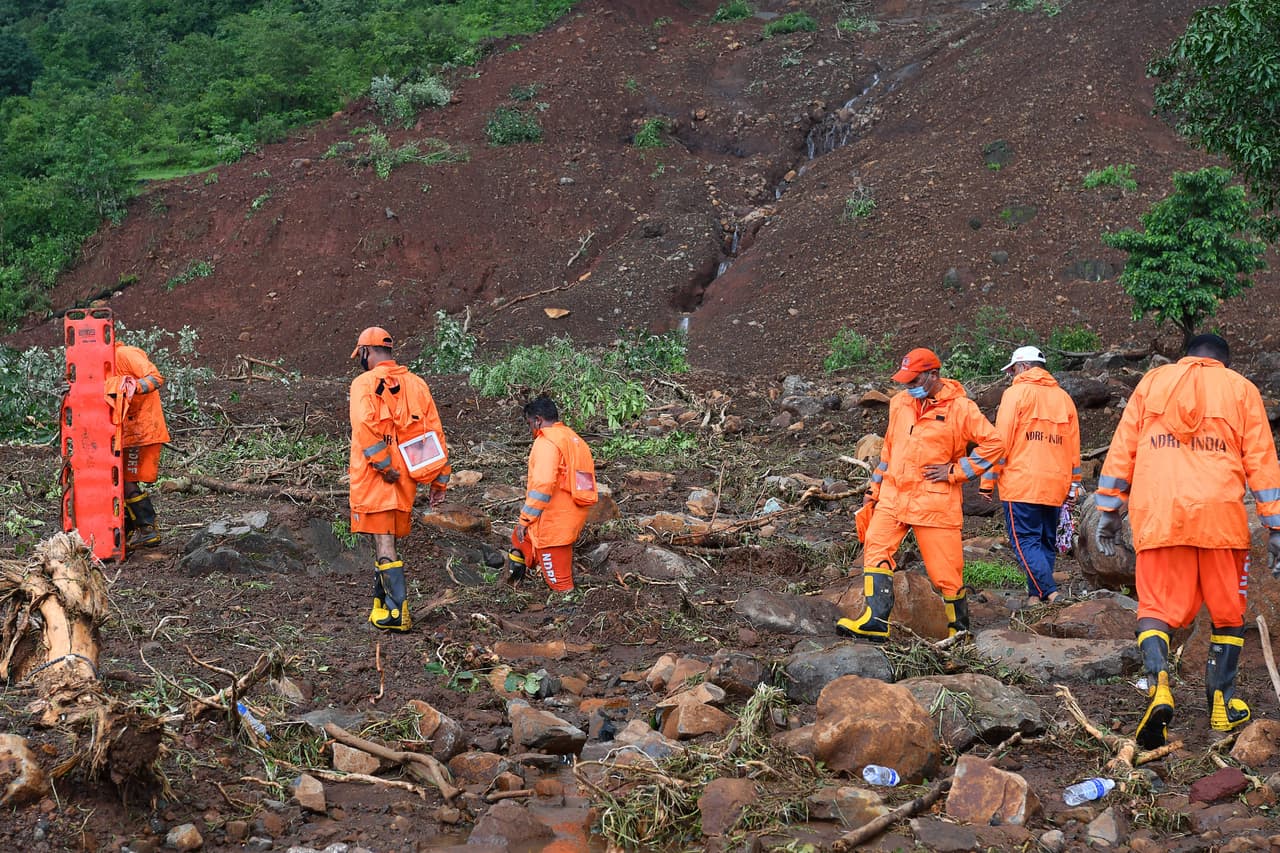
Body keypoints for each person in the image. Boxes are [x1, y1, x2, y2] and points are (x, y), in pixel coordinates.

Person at [1095, 333, 1280, 749]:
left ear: (1187, 357)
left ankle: (1159, 684)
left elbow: (1123, 448)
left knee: (1155, 608)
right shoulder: (1241, 390)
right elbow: (1263, 462)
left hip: (1160, 515)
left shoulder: (1152, 383)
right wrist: (1276, 527)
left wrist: (1109, 509)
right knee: (1229, 612)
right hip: (1221, 520)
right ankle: (1221, 702)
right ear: (1223, 363)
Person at [837, 347, 1005, 641]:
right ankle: (875, 621)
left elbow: (994, 444)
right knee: (875, 547)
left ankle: (959, 633)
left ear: (933, 375)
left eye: (914, 381)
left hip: (934, 502)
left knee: (946, 572)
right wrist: (874, 490)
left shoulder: (961, 409)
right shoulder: (900, 403)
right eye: (905, 381)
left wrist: (955, 471)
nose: (907, 387)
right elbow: (888, 450)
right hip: (893, 496)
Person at [348, 326, 450, 632]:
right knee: (385, 539)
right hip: (406, 479)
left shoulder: (363, 383)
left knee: (383, 542)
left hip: (378, 478)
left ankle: (396, 613)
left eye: (360, 355)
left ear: (366, 352)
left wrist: (382, 464)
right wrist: (439, 480)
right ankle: (382, 604)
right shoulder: (417, 384)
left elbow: (364, 426)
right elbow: (435, 432)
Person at [994, 345, 1082, 607]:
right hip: (1054, 485)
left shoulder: (1015, 394)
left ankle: (1051, 594)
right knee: (1045, 541)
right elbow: (1073, 448)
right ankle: (1035, 597)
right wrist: (1074, 486)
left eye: (1012, 370)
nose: (1011, 375)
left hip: (1021, 484)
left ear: (1022, 367)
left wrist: (988, 481)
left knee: (1025, 542)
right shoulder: (1064, 398)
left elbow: (1001, 443)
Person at [507, 395, 597, 593]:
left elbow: (544, 484)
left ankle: (568, 610)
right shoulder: (573, 439)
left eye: (530, 423)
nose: (531, 429)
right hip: (571, 514)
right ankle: (515, 579)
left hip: (554, 523)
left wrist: (525, 519)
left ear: (538, 420)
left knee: (560, 584)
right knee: (520, 539)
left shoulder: (546, 442)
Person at [113, 339, 170, 549]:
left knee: (127, 479)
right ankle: (131, 529)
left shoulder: (125, 355)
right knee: (117, 479)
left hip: (141, 430)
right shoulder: (100, 367)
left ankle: (147, 529)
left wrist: (135, 386)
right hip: (126, 431)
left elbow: (156, 377)